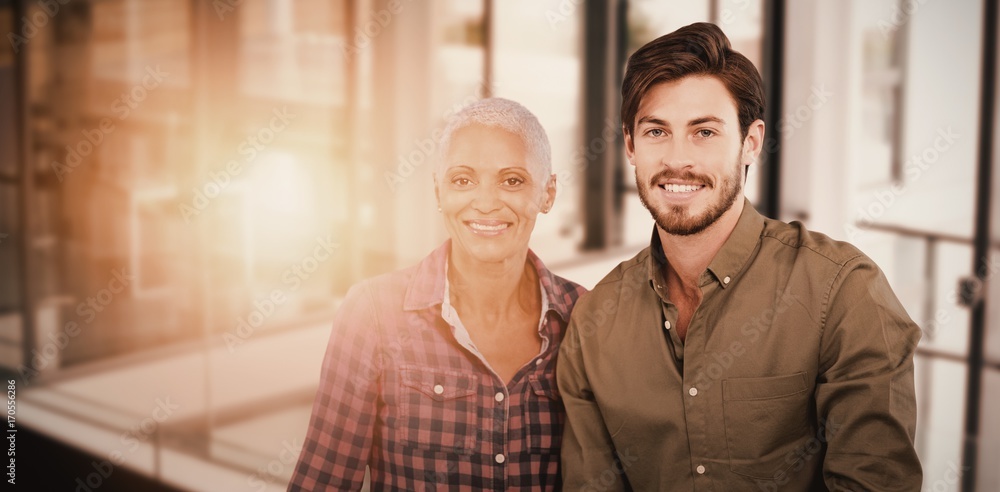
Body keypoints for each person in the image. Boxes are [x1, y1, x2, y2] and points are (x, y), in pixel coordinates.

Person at [557, 22, 922, 491]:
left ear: (751, 142)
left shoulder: (844, 292)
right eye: (656, 131)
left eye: (704, 132)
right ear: (630, 145)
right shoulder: (593, 324)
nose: (677, 159)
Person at [288, 97, 586, 490]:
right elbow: (322, 482)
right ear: (438, 192)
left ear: (547, 194)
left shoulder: (585, 317)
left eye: (512, 180)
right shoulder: (374, 314)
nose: (485, 202)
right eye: (463, 180)